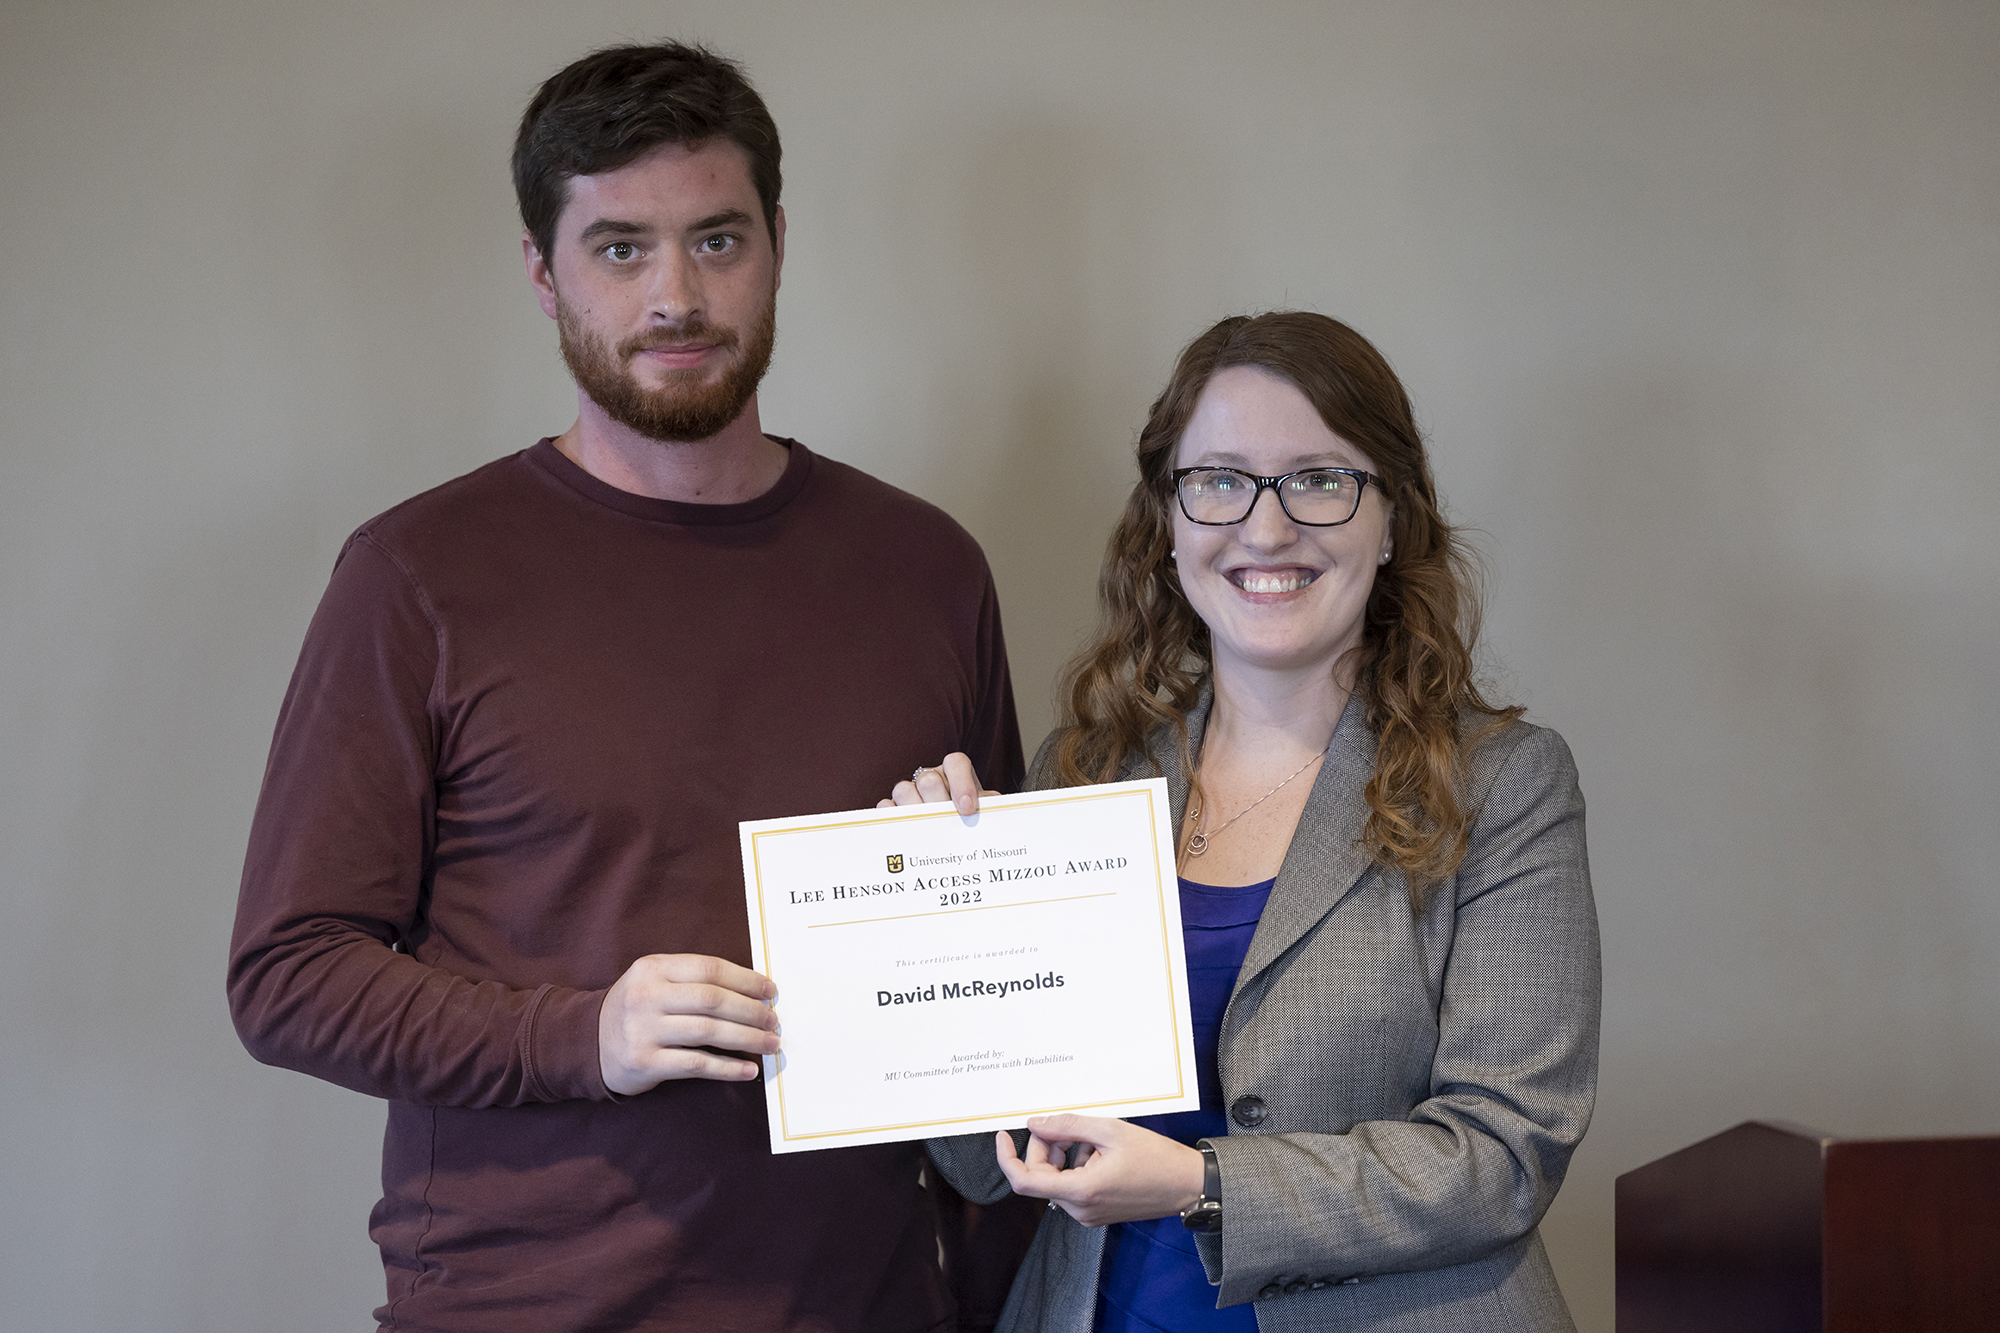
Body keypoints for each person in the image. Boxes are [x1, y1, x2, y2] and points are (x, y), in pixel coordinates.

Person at [228, 41, 1031, 1332]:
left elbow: (1009, 990)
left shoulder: (926, 568)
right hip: (529, 1304)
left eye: (716, 240)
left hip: (872, 1302)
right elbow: (289, 975)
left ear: (777, 245)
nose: (677, 296)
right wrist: (585, 1035)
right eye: (619, 249)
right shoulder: (417, 576)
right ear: (543, 274)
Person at [900, 312, 1600, 1331]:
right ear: (1168, 520)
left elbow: (1504, 1153)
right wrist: (935, 918)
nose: (1265, 530)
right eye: (1221, 480)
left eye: (1318, 479)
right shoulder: (1081, 773)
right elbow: (980, 1161)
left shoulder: (1503, 784)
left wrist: (1204, 1185)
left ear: (1391, 519)